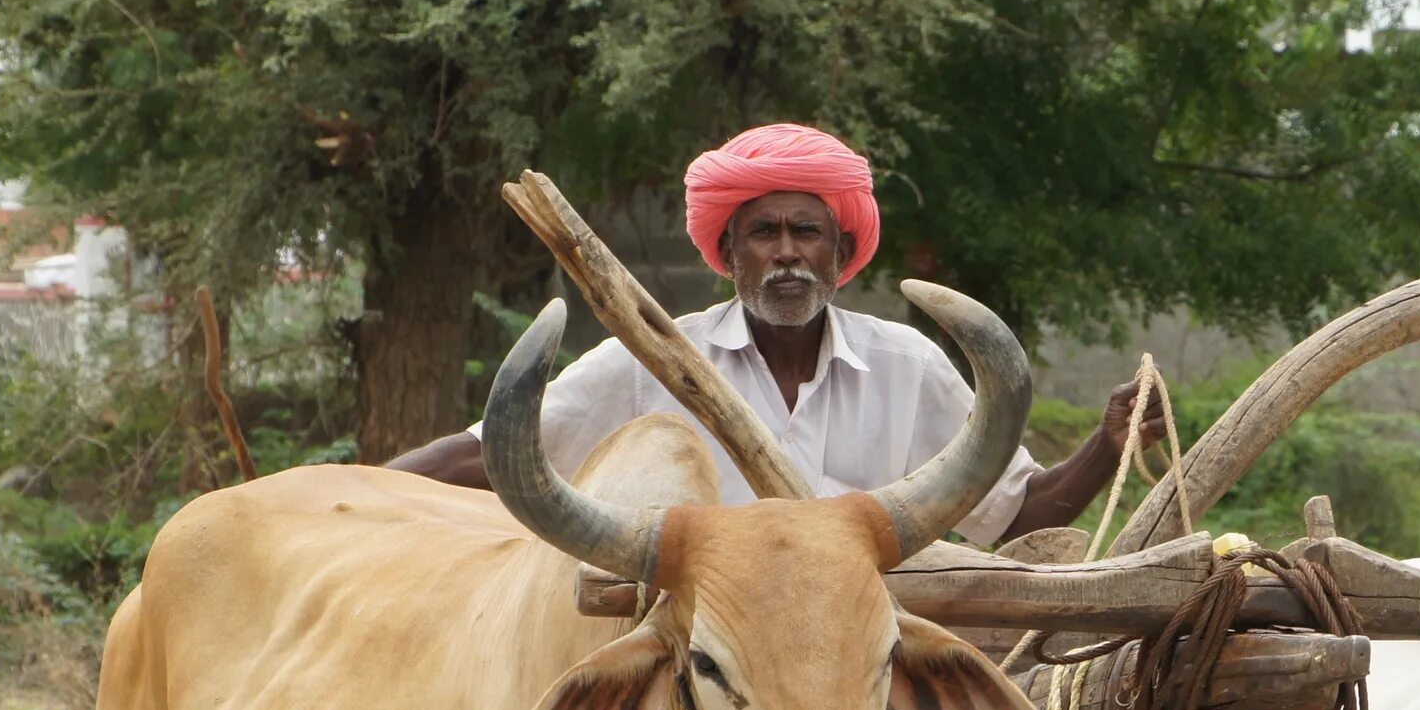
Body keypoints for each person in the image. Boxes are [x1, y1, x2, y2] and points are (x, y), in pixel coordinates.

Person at [393, 122, 1164, 544]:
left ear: (842, 250)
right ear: (727, 252)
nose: (787, 251)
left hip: (871, 660)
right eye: (763, 231)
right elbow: (488, 451)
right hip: (697, 666)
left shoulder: (909, 366)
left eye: (806, 231)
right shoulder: (653, 359)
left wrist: (1107, 440)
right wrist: (335, 496)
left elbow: (1015, 516)